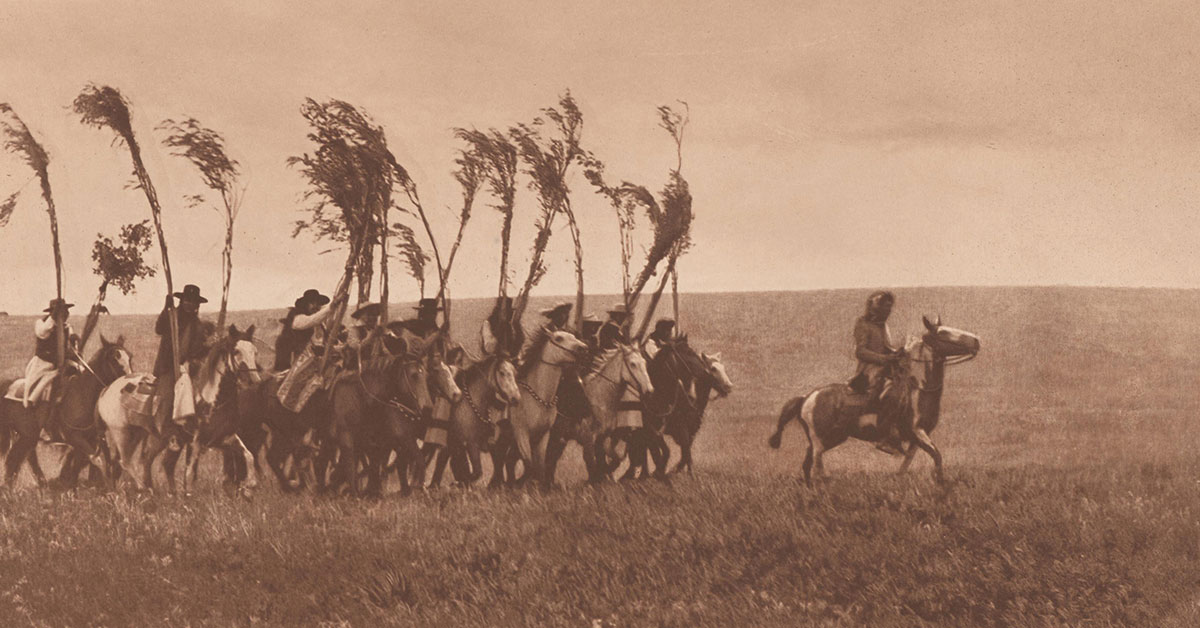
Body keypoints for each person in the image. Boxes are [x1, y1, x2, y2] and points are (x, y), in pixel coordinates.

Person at [152, 284, 209, 436]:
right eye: (188, 301)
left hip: (190, 367)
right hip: (168, 366)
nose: (191, 305)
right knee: (168, 396)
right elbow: (159, 329)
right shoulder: (172, 316)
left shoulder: (198, 325)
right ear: (182, 301)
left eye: (194, 302)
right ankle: (164, 430)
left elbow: (199, 348)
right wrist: (166, 308)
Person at [852, 290, 903, 455]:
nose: (888, 311)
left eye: (890, 307)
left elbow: (887, 347)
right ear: (875, 308)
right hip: (869, 370)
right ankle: (883, 437)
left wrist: (897, 353)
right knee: (890, 393)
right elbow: (860, 351)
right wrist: (883, 359)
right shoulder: (862, 323)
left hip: (885, 366)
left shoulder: (883, 326)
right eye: (885, 307)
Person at [23, 298, 75, 409]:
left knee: (81, 373)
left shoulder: (67, 327)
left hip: (62, 363)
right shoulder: (41, 324)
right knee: (34, 386)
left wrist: (74, 343)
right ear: (53, 313)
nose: (66, 314)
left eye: (66, 311)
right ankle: (30, 404)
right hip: (43, 364)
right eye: (62, 311)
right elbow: (42, 333)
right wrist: (53, 317)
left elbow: (72, 346)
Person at [274, 289, 332, 371]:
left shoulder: (319, 324)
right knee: (289, 380)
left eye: (318, 304)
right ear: (305, 304)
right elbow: (310, 321)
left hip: (307, 360)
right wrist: (332, 306)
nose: (316, 306)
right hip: (291, 359)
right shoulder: (297, 316)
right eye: (312, 303)